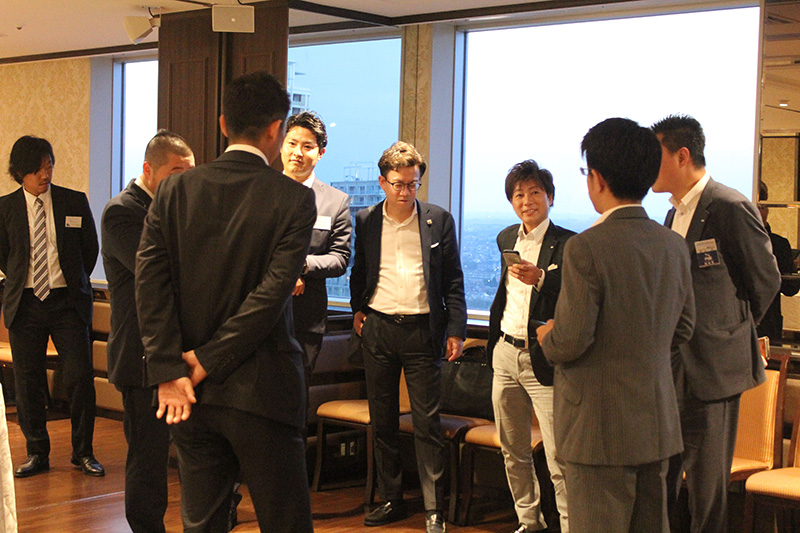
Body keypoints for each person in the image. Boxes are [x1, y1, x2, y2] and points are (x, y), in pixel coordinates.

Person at [135, 71, 316, 532]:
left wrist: (170, 369)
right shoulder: (293, 199)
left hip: (188, 393)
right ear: (275, 129)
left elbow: (150, 285)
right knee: (286, 524)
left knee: (203, 524)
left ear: (222, 123)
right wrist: (205, 359)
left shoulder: (174, 190)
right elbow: (271, 296)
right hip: (263, 390)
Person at [537, 117, 695, 532]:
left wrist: (547, 336)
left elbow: (571, 340)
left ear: (598, 179)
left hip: (597, 429)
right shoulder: (673, 245)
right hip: (656, 423)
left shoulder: (585, 247)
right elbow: (684, 328)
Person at [650, 114, 781, 533]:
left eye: (655, 155)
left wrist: (730, 331)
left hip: (714, 369)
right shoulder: (671, 215)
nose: (647, 166)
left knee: (708, 492)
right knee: (664, 481)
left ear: (682, 155)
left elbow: (765, 280)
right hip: (672, 368)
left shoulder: (728, 206)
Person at [350, 141, 466, 533]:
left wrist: (456, 329)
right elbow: (360, 270)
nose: (405, 192)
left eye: (413, 184)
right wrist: (359, 309)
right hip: (379, 328)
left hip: (422, 330)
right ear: (382, 182)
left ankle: (434, 509)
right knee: (382, 420)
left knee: (426, 422)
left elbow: (452, 279)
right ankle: (391, 498)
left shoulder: (438, 220)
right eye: (398, 184)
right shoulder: (366, 220)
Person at [101, 130, 194, 533]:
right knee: (148, 458)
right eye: (176, 172)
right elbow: (156, 273)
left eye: (189, 173)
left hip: (183, 354)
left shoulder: (180, 209)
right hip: (141, 355)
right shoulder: (122, 211)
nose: (184, 181)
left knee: (194, 453)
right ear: (148, 170)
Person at [0, 135, 104, 478]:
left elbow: (89, 249)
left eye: (49, 166)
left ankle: (83, 452)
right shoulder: (5, 208)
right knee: (28, 382)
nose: (46, 174)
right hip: (26, 303)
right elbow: (5, 255)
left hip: (67, 303)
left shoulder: (73, 201)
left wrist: (74, 282)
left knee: (80, 378)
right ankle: (36, 452)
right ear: (21, 172)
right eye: (39, 169)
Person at [487, 160, 573, 533]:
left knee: (559, 457)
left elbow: (575, 296)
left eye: (535, 192)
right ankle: (528, 521)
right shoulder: (506, 238)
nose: (527, 201)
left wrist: (540, 278)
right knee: (513, 451)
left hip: (545, 358)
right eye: (519, 194)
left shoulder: (569, 244)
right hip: (505, 353)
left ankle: (570, 526)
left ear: (550, 197)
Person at [281, 111, 352, 390]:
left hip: (306, 318)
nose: (297, 153)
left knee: (298, 393)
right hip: (258, 315)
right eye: (292, 143)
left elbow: (340, 259)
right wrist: (284, 273)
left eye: (307, 146)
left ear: (320, 153)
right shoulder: (259, 190)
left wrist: (302, 266)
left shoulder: (335, 202)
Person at [756, 180, 800, 344]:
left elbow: (791, 288)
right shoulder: (778, 244)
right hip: (746, 324)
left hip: (767, 325)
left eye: (762, 207)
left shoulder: (779, 244)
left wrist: (791, 267)